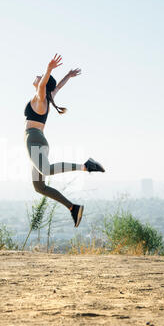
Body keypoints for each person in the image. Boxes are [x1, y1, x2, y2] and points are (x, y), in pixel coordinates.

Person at [24, 53, 105, 228]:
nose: (37, 78)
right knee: (39, 187)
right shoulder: (47, 98)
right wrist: (67, 75)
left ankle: (86, 166)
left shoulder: (40, 98)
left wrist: (48, 69)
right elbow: (56, 87)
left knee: (45, 170)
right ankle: (73, 208)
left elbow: (46, 85)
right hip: (40, 142)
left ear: (43, 86)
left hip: (34, 140)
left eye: (40, 78)